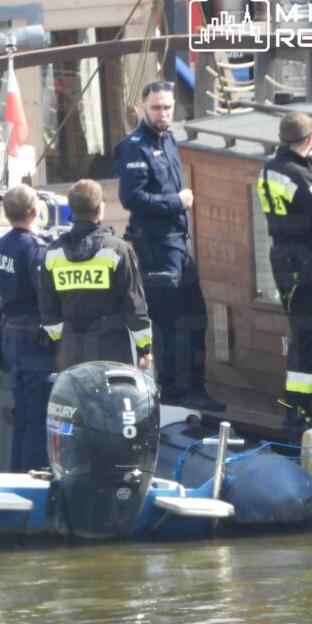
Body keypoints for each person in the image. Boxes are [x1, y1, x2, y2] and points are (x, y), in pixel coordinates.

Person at [115, 80, 224, 411]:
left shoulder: (169, 139)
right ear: (142, 108)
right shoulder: (134, 146)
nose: (162, 113)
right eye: (156, 107)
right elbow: (130, 198)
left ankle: (195, 388)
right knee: (172, 322)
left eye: (167, 107)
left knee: (196, 317)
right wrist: (175, 202)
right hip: (156, 247)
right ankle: (177, 392)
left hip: (178, 246)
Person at [257, 110, 312, 438]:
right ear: (309, 140)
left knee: (306, 337)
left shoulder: (271, 169)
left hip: (286, 259)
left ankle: (300, 414)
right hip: (306, 263)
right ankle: (297, 418)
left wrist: (311, 164)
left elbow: (295, 201)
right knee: (309, 340)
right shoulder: (296, 173)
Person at [38, 179, 154, 372]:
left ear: (72, 211)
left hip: (70, 354)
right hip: (112, 350)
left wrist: (65, 343)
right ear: (100, 208)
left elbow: (48, 309)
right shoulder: (117, 250)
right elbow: (134, 303)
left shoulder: (53, 253)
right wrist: (144, 348)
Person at [0, 184, 56, 472]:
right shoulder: (34, 249)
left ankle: (15, 473)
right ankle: (31, 480)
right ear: (34, 210)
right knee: (39, 417)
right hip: (33, 342)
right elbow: (46, 296)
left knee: (23, 415)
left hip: (11, 337)